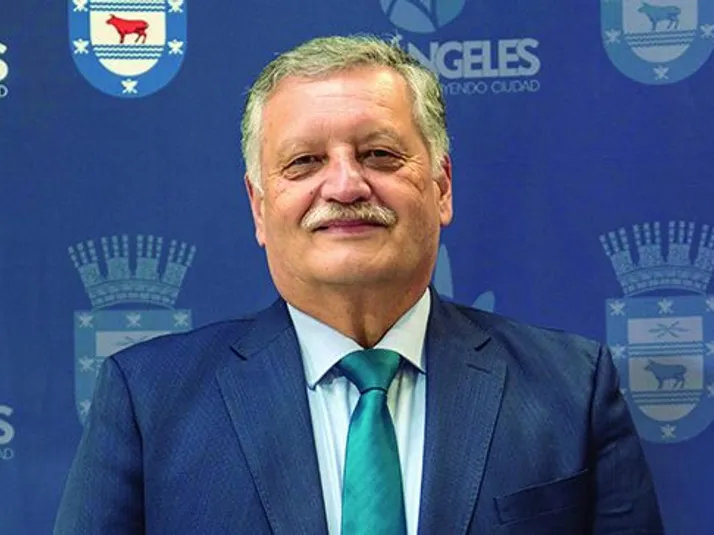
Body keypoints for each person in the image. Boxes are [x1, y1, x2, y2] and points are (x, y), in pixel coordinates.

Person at [54, 34, 663, 534]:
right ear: (259, 208)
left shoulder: (571, 388)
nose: (345, 186)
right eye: (304, 162)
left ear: (442, 188)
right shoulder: (148, 401)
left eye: (378, 155)